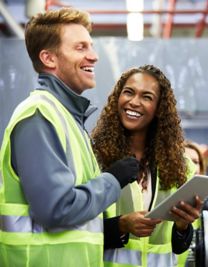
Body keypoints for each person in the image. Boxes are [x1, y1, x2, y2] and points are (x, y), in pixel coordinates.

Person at [0, 8, 139, 267]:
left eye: (92, 46)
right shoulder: (39, 116)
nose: (94, 56)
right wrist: (112, 180)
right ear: (49, 58)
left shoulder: (67, 119)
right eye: (80, 47)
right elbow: (56, 208)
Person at [91, 64, 203, 267]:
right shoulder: (95, 158)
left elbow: (179, 247)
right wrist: (121, 225)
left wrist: (182, 227)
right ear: (118, 98)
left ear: (159, 109)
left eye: (147, 97)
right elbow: (78, 227)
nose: (134, 102)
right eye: (128, 92)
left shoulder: (181, 166)